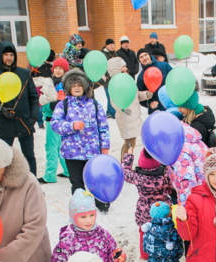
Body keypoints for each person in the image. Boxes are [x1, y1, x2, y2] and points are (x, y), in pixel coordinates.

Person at [50, 189, 126, 262]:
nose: (89, 220)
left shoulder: (103, 234)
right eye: (83, 217)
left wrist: (116, 259)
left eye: (91, 215)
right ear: (73, 218)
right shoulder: (68, 241)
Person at [51, 69, 111, 211]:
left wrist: (105, 146)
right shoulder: (63, 105)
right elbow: (55, 124)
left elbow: (103, 127)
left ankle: (100, 202)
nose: (77, 88)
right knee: (77, 182)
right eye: (73, 85)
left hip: (93, 151)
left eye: (79, 84)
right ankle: (81, 205)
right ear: (68, 88)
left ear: (84, 86)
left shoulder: (94, 105)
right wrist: (71, 125)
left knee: (96, 180)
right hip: (72, 153)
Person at [0, 41, 40, 176]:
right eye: (5, 55)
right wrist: (0, 110)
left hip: (25, 122)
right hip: (4, 123)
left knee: (29, 156)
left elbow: (33, 97)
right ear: (0, 56)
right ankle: (5, 187)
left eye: (11, 55)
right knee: (4, 158)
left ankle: (33, 186)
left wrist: (33, 117)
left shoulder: (24, 74)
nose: (9, 58)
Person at [123, 147, 174, 261]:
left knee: (144, 232)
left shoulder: (137, 177)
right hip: (163, 209)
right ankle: (166, 251)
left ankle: (145, 255)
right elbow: (171, 189)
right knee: (165, 231)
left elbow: (124, 171)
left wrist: (129, 156)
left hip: (144, 209)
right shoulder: (165, 175)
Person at [34, 57, 70, 184]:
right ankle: (68, 171)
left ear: (65, 70)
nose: (58, 70)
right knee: (60, 146)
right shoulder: (52, 82)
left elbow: (60, 102)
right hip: (56, 119)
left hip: (54, 120)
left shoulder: (62, 84)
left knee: (51, 146)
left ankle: (49, 175)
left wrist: (50, 103)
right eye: (56, 68)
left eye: (61, 68)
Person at [106, 57, 143, 157]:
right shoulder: (116, 83)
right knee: (130, 143)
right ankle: (124, 165)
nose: (126, 68)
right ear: (116, 68)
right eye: (123, 67)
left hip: (134, 117)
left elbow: (135, 95)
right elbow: (114, 102)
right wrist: (124, 109)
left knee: (131, 143)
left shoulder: (127, 80)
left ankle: (125, 164)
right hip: (126, 119)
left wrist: (146, 95)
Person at [168, 120, 208, 206]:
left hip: (198, 200)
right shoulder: (193, 140)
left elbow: (188, 183)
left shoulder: (180, 151)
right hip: (207, 193)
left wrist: (186, 209)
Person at [136, 50, 172, 115]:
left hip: (170, 104)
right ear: (139, 61)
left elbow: (174, 80)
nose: (144, 58)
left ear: (149, 55)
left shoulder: (164, 66)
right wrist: (149, 103)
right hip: (155, 108)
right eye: (141, 57)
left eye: (145, 55)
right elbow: (140, 96)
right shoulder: (141, 76)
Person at [101, 39, 118, 119]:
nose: (112, 46)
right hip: (107, 79)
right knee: (110, 96)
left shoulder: (115, 53)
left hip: (115, 79)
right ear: (106, 46)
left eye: (113, 44)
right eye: (110, 45)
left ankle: (108, 112)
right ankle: (113, 113)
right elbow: (103, 67)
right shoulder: (103, 55)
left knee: (113, 96)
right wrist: (107, 75)